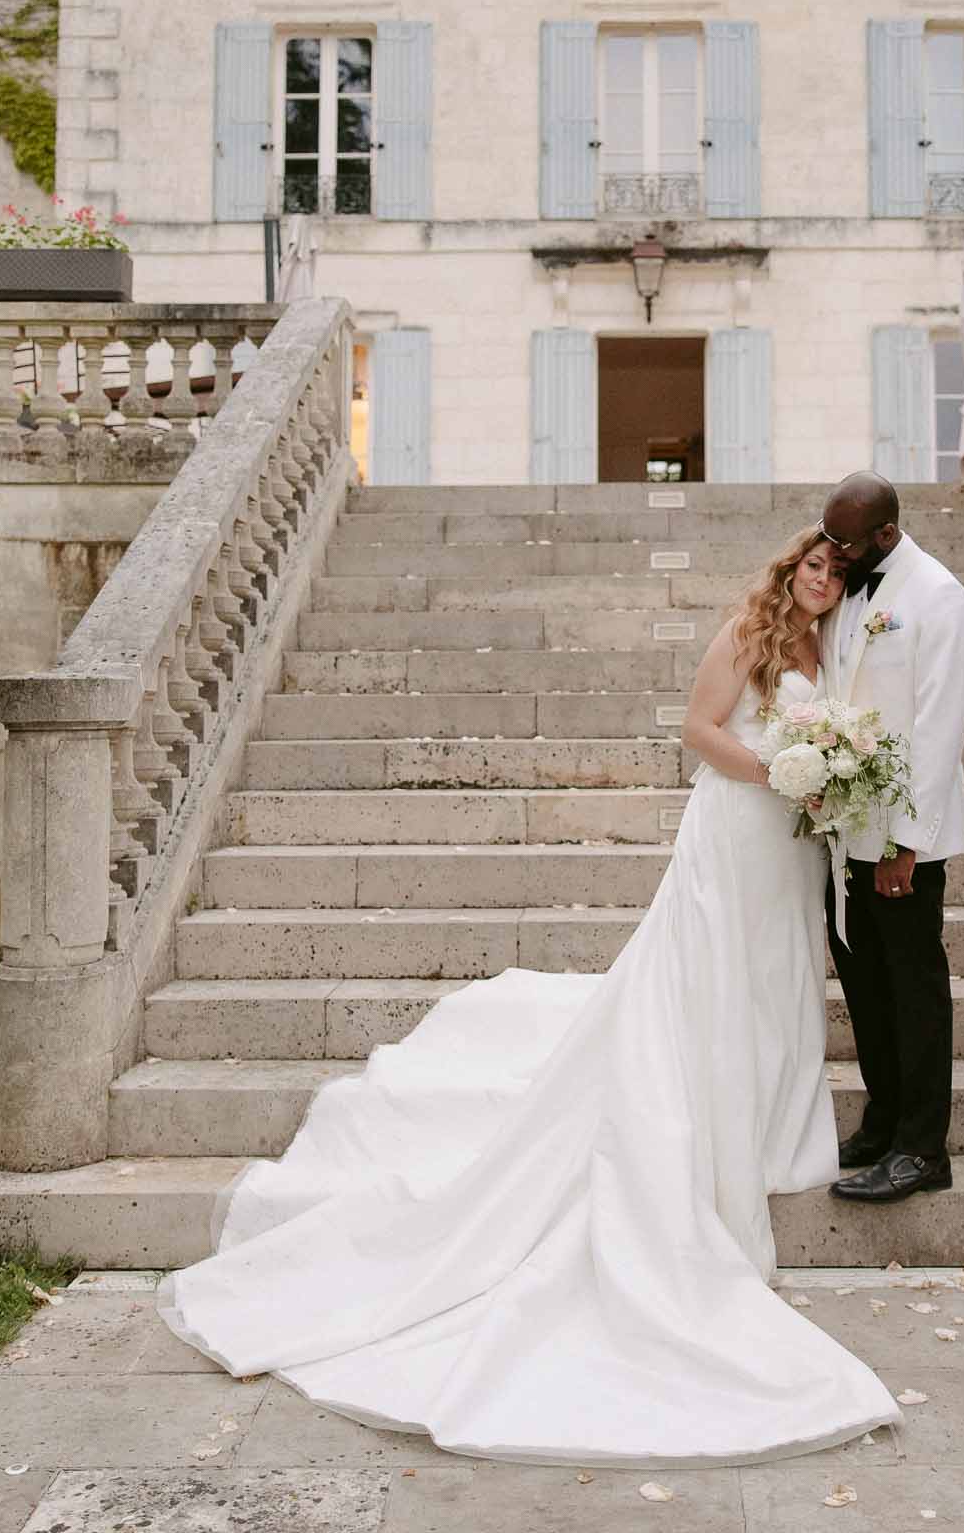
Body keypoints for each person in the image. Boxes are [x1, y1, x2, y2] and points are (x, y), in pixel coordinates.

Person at [157, 528, 899, 1465]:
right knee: (711, 971)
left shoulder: (828, 648)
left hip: (788, 844)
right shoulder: (747, 637)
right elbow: (698, 731)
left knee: (772, 974)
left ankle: (765, 1114)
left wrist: (821, 778)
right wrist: (779, 770)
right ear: (789, 570)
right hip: (734, 827)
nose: (822, 583)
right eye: (812, 568)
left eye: (835, 573)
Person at [817, 472, 964, 1204]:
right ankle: (881, 1123)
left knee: (914, 992)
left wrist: (903, 844)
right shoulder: (845, 587)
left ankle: (922, 1149)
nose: (832, 553)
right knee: (864, 986)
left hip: (900, 840)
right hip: (840, 830)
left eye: (844, 541)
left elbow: (938, 727)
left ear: (885, 533)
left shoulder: (937, 595)